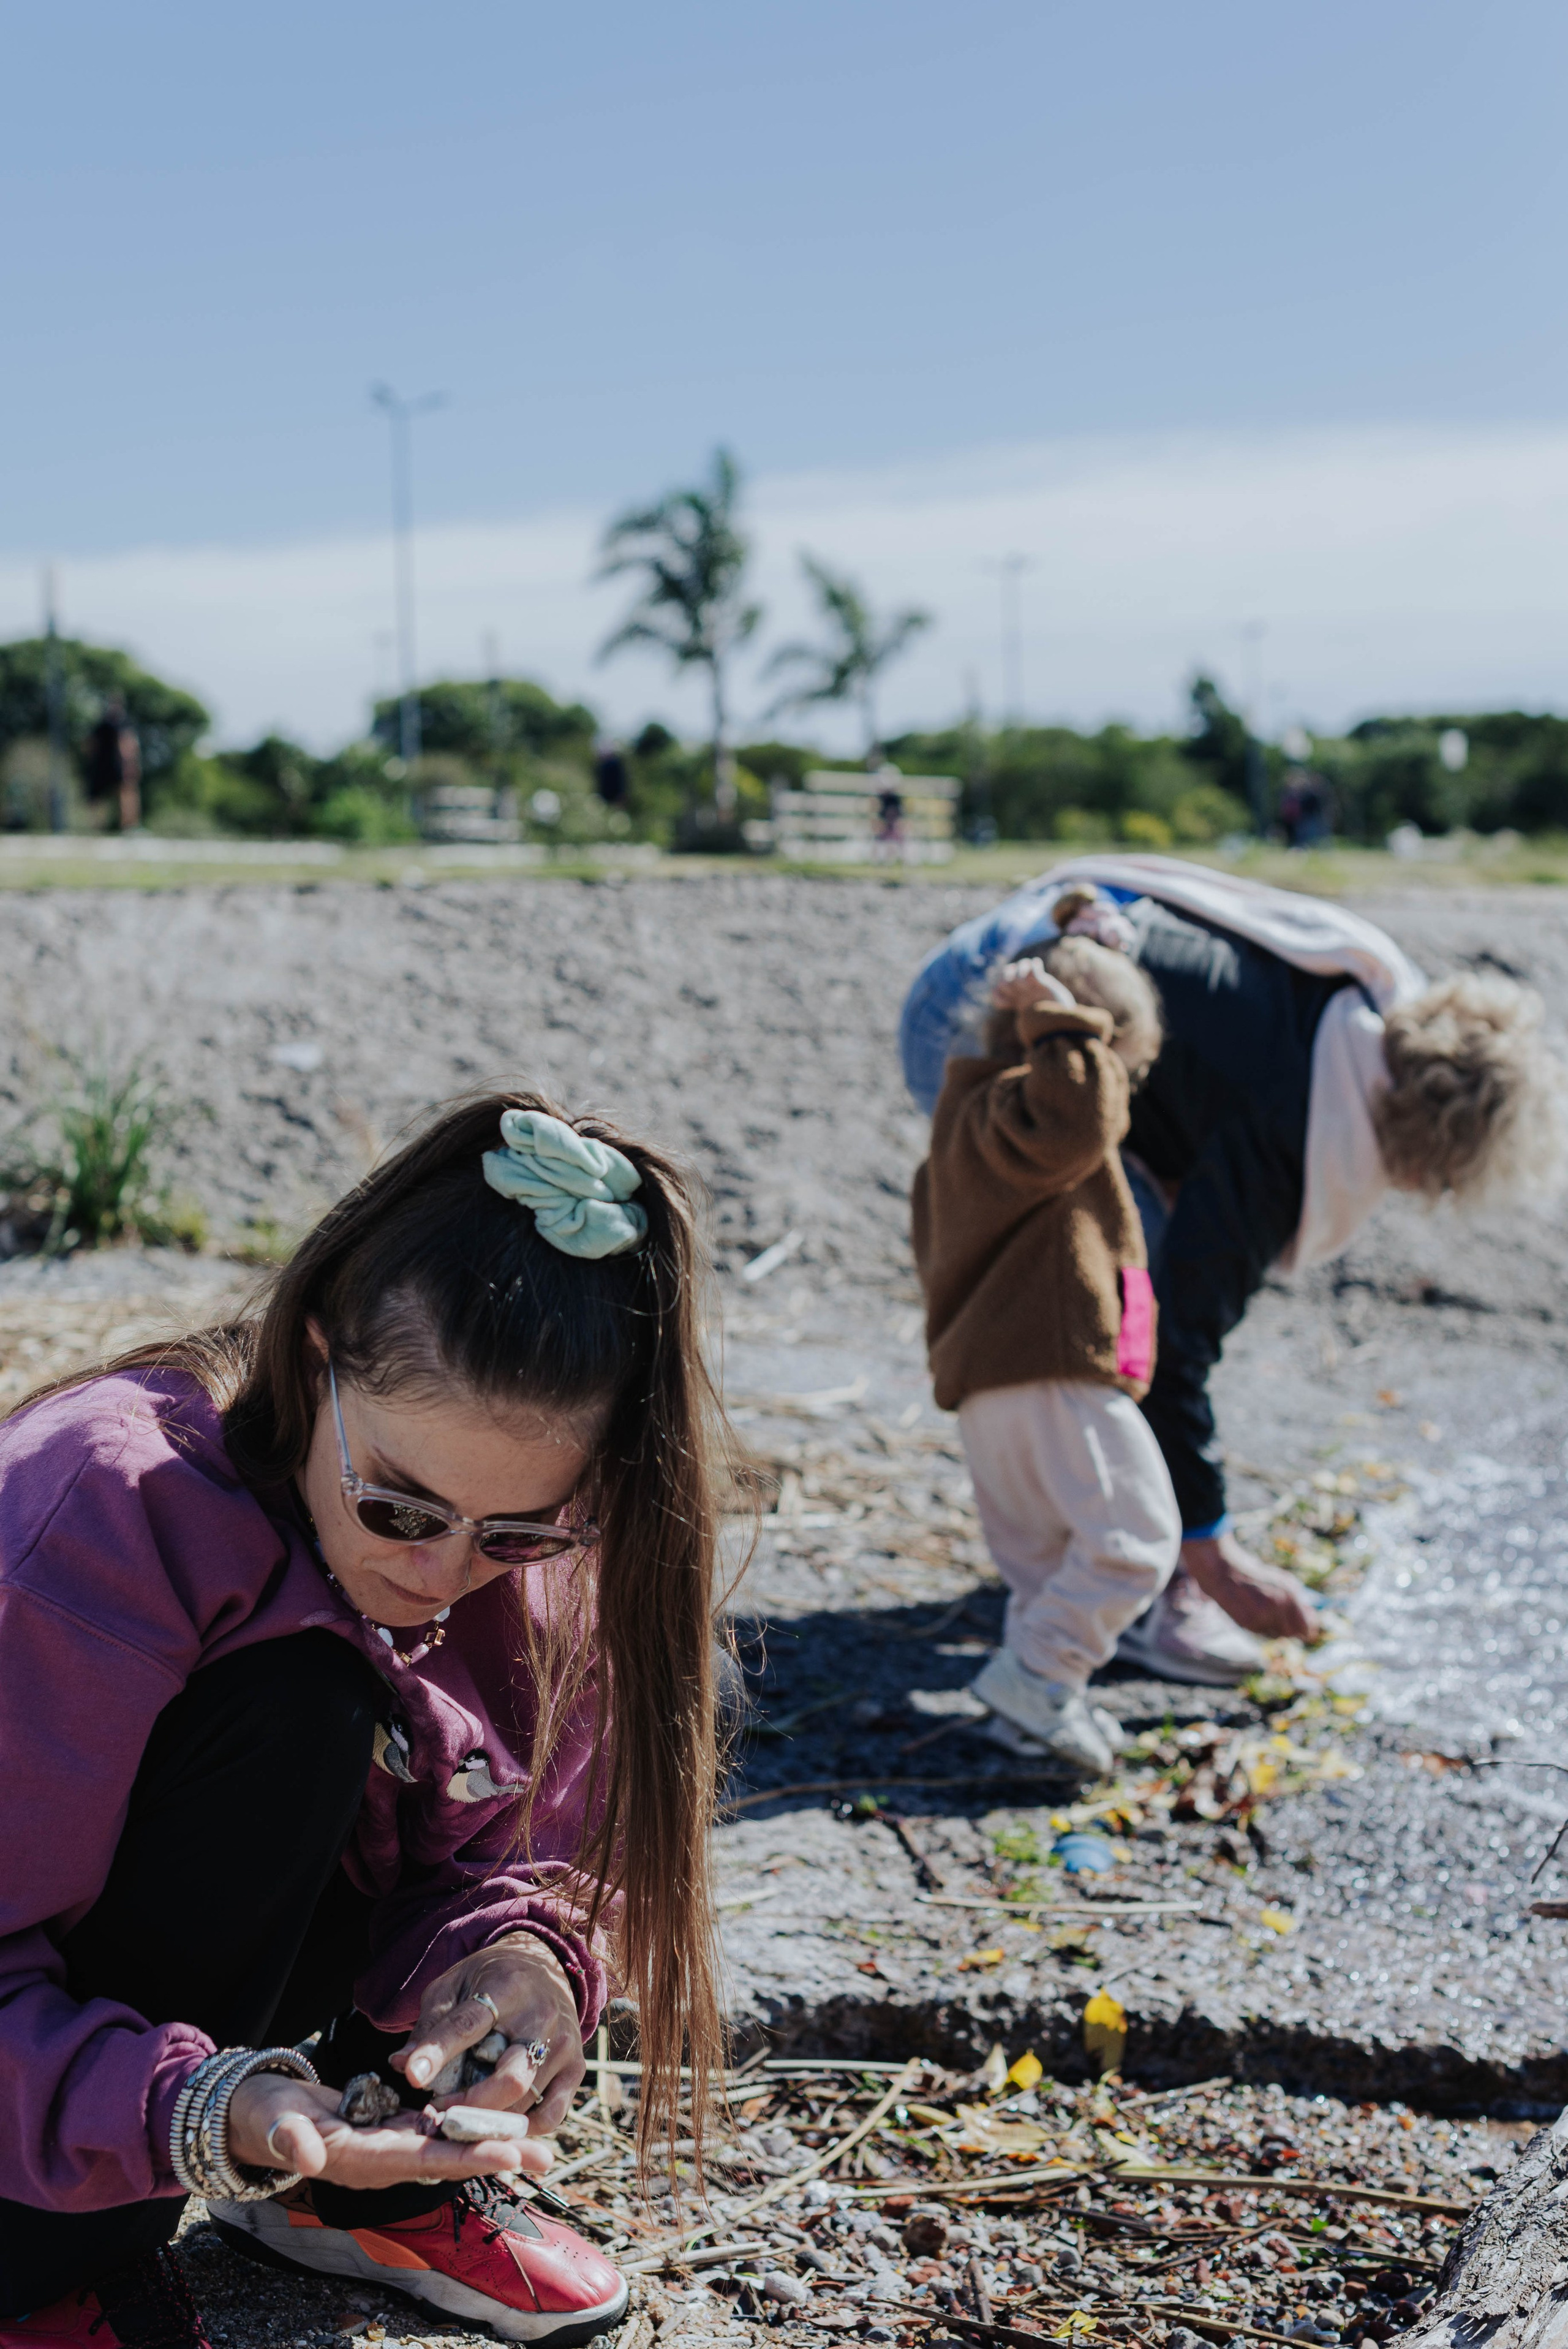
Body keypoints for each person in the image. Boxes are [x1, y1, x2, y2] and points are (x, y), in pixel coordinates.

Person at [0, 1094, 730, 2349]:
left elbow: (525, 1853)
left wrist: (519, 1964)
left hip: (182, 2029)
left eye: (516, 1531)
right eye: (400, 1506)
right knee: (304, 1703)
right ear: (316, 1357)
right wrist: (196, 2108)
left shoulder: (559, 1546)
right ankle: (44, 2255)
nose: (443, 1571)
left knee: (364, 1723)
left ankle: (355, 2174)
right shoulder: (104, 1511)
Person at [900, 854, 1567, 1683]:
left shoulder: (1351, 1005)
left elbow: (1198, 1088)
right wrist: (1213, 1553)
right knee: (1111, 1294)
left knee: (1126, 1258)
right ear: (1440, 1156)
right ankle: (1141, 1586)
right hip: (976, 1008)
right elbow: (1176, 1343)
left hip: (1019, 940)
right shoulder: (1292, 1133)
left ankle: (1089, 1550)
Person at [911, 913, 1179, 1774]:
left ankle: (1029, 1718)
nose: (1123, 1095)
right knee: (1135, 1540)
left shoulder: (973, 1127)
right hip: (1051, 1368)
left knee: (1046, 1561)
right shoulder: (1028, 1115)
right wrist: (1066, 1029)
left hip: (996, 1382)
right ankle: (1039, 1677)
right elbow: (1078, 1120)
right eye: (1118, 1067)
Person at [82, 698, 141, 832]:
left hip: (116, 764)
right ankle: (97, 827)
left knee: (127, 792)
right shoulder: (103, 725)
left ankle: (129, 825)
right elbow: (90, 744)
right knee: (98, 796)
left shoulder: (122, 724)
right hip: (103, 765)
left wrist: (129, 764)